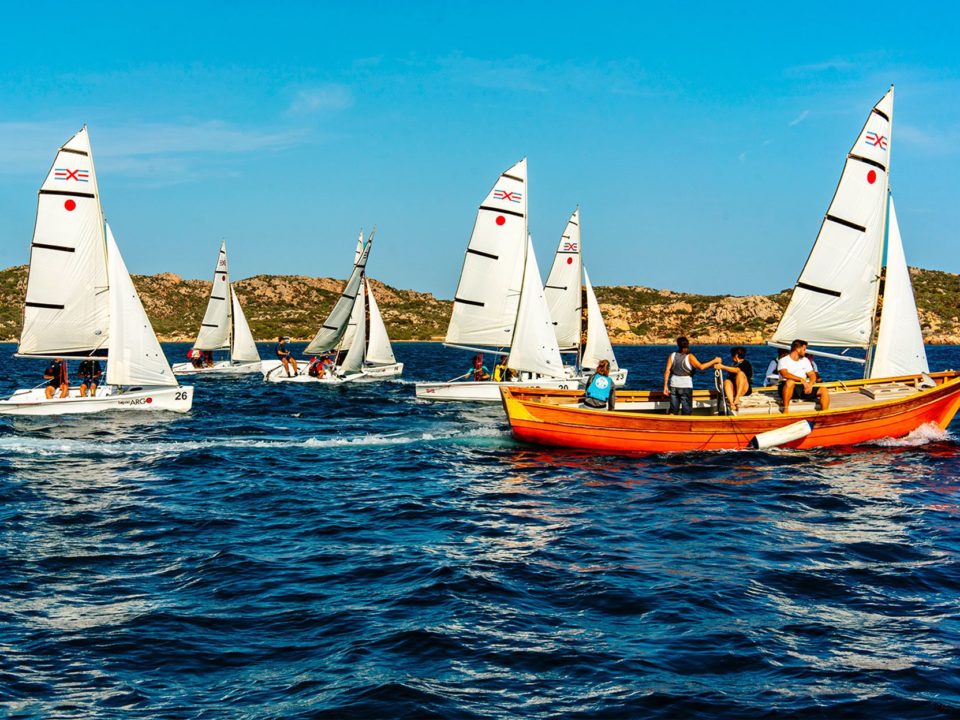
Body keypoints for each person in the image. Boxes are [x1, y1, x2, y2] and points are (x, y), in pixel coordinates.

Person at [663, 336, 721, 415]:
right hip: (685, 386)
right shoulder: (690, 357)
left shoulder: (672, 355)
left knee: (673, 411)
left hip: (673, 385)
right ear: (687, 344)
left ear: (678, 345)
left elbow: (667, 371)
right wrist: (715, 361)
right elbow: (701, 367)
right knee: (686, 411)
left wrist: (665, 386)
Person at [778, 339, 830, 413]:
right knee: (790, 382)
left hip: (802, 387)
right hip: (786, 387)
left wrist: (810, 384)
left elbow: (812, 374)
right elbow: (785, 374)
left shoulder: (805, 360)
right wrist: (801, 380)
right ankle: (786, 409)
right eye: (804, 349)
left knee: (823, 390)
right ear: (797, 349)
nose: (805, 351)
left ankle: (825, 414)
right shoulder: (783, 360)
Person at [717, 346, 753, 413]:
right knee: (727, 381)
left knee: (740, 374)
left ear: (736, 355)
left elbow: (737, 370)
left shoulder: (746, 363)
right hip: (734, 390)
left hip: (744, 390)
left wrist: (722, 367)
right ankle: (731, 403)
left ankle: (737, 398)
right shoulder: (733, 365)